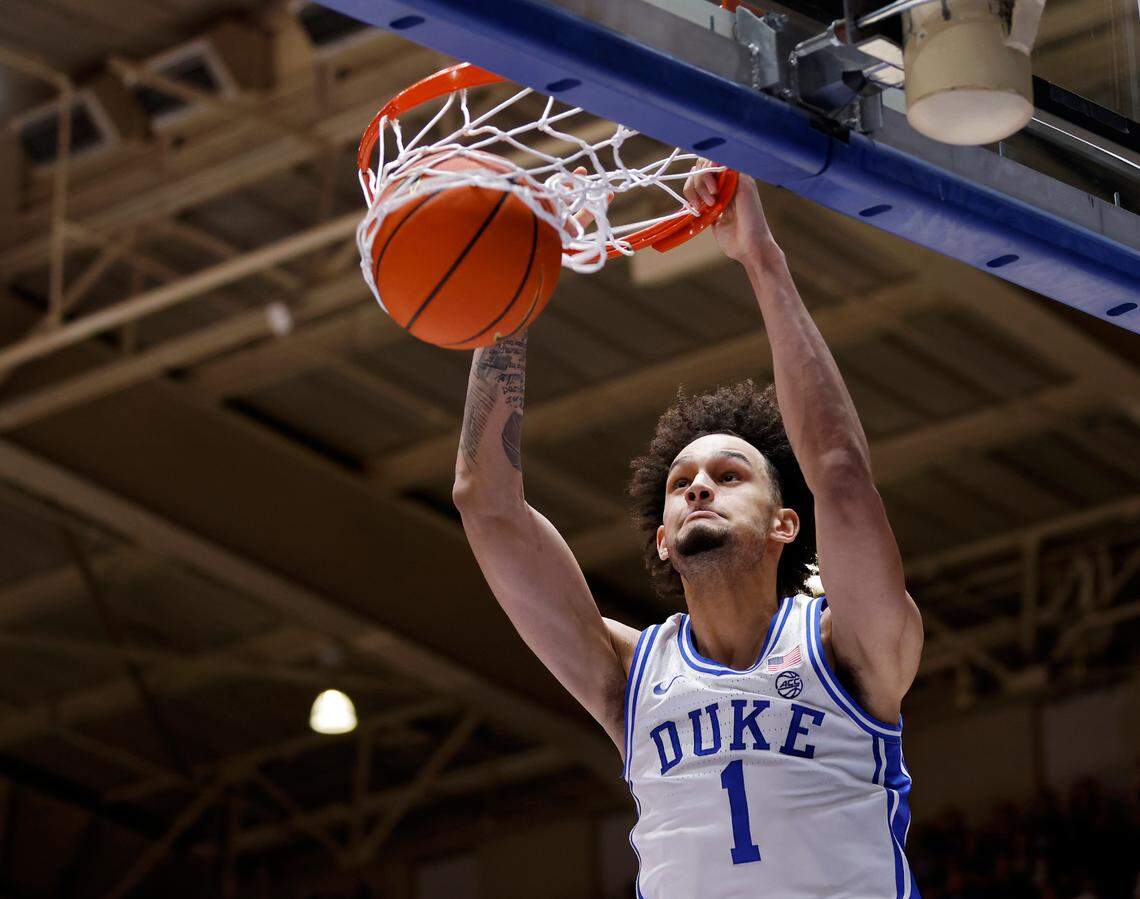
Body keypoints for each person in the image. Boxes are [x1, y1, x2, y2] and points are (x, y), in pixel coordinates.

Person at [451, 162, 924, 898]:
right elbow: (486, 504)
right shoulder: (630, 675)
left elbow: (838, 470)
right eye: (681, 484)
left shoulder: (849, 644)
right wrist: (513, 300)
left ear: (784, 523)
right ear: (664, 540)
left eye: (730, 476)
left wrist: (761, 259)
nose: (699, 483)